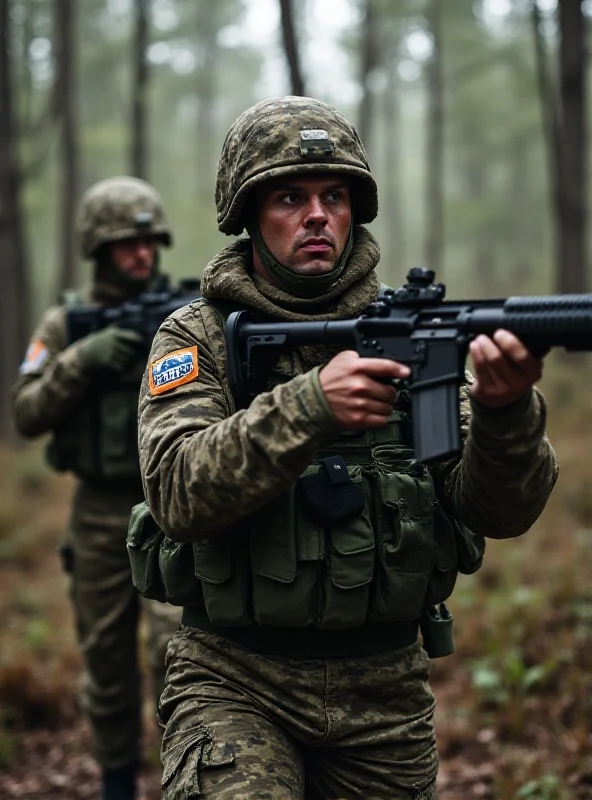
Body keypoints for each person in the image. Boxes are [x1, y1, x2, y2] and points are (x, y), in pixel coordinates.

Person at [134, 97, 558, 799]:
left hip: (384, 692)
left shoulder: (413, 334)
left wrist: (505, 412)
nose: (316, 216)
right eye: (289, 197)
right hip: (235, 677)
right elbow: (178, 490)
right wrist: (309, 406)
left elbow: (500, 510)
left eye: (334, 196)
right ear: (247, 213)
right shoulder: (197, 337)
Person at [11, 176, 183, 800]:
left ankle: (187, 778)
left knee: (178, 654)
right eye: (124, 245)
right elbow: (26, 411)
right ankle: (116, 784)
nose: (141, 256)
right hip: (99, 512)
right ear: (97, 249)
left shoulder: (183, 315)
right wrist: (83, 361)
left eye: (148, 243)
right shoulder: (67, 324)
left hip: (170, 505)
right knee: (107, 662)